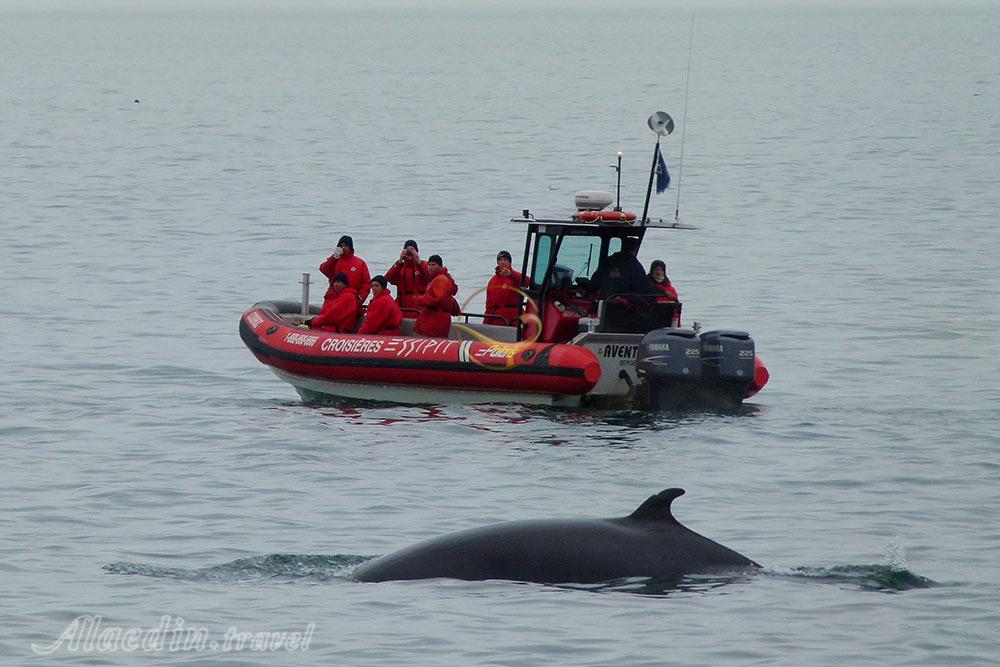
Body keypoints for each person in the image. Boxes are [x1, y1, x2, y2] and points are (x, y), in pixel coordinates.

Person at [590, 237, 660, 297]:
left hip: (604, 299)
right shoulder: (633, 264)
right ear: (635, 249)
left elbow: (595, 280)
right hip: (623, 303)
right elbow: (643, 285)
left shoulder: (608, 261)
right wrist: (661, 292)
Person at [414, 254, 459, 338]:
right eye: (429, 265)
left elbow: (437, 299)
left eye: (433, 265)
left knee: (429, 340)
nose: (430, 267)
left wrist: (419, 299)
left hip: (435, 319)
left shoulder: (441, 280)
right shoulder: (436, 278)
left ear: (440, 267)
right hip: (432, 317)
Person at [319, 235, 371, 305]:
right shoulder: (333, 261)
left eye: (346, 246)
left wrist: (359, 299)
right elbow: (324, 269)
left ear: (350, 247)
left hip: (351, 299)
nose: (343, 248)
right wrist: (334, 257)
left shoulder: (360, 263)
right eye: (341, 246)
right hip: (333, 298)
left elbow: (366, 284)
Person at [384, 239, 430, 317]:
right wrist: (399, 262)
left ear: (417, 251)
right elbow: (388, 278)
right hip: (402, 304)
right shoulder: (399, 267)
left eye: (412, 250)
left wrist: (419, 263)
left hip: (418, 303)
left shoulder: (423, 265)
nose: (409, 252)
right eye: (407, 250)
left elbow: (429, 277)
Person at [485, 250, 525, 326]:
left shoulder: (516, 277)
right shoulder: (492, 281)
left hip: (514, 318)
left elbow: (527, 282)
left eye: (505, 259)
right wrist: (486, 323)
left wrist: (511, 274)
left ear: (510, 262)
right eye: (500, 260)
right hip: (497, 318)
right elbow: (489, 305)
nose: (502, 262)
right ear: (497, 263)